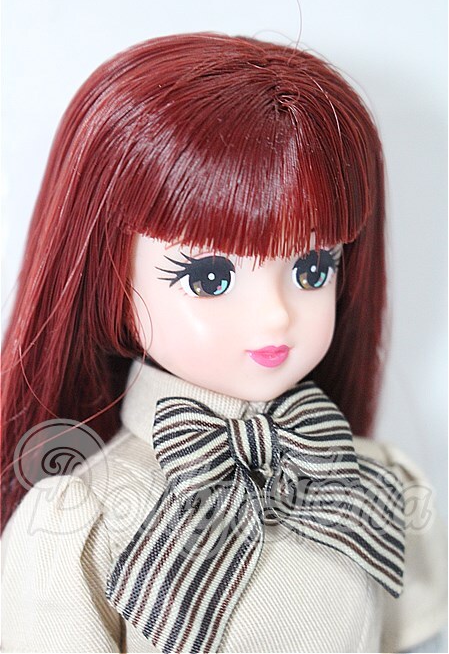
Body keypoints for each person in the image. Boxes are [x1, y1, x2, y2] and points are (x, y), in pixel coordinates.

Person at [1, 33, 446, 653]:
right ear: (109, 277)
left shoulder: (368, 483)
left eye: (313, 268)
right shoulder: (81, 521)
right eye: (209, 278)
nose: (276, 315)